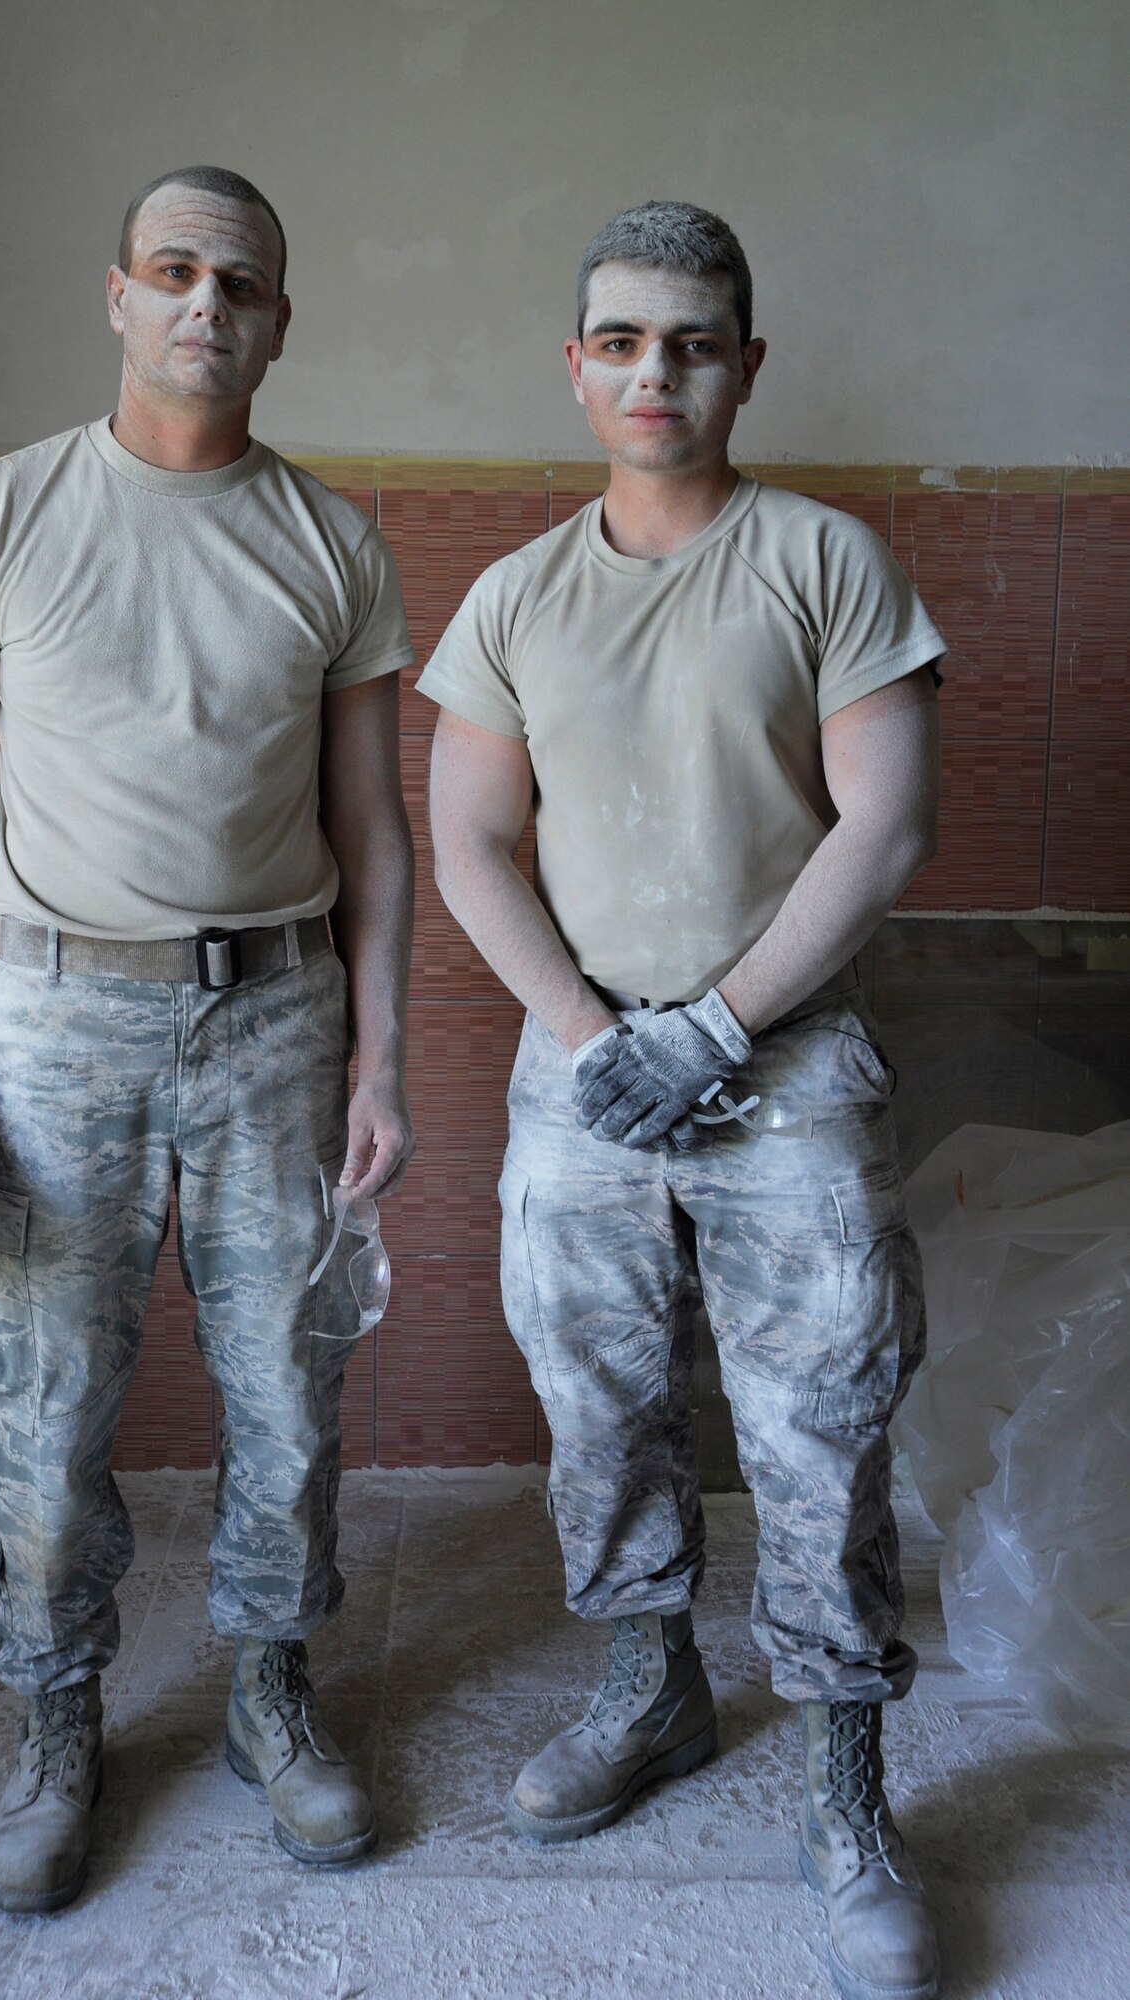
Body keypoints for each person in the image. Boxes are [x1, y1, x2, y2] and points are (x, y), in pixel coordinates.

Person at [0, 165, 416, 1910]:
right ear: (116, 293)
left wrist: (385, 1056)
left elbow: (375, 830)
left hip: (280, 1017)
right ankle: (57, 1722)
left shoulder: (332, 543)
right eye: (175, 271)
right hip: (59, 1015)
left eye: (241, 285)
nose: (206, 308)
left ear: (282, 324)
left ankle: (269, 1699)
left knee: (288, 1392)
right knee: (44, 1406)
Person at [420, 201, 944, 2000]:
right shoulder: (515, 594)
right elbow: (471, 839)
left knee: (821, 1427)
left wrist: (718, 1025)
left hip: (782, 1066)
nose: (658, 372)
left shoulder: (823, 560)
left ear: (746, 364)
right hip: (582, 1077)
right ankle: (653, 1690)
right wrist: (587, 1035)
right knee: (603, 1411)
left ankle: (848, 1787)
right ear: (577, 367)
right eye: (623, 341)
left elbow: (884, 824)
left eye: (695, 340)